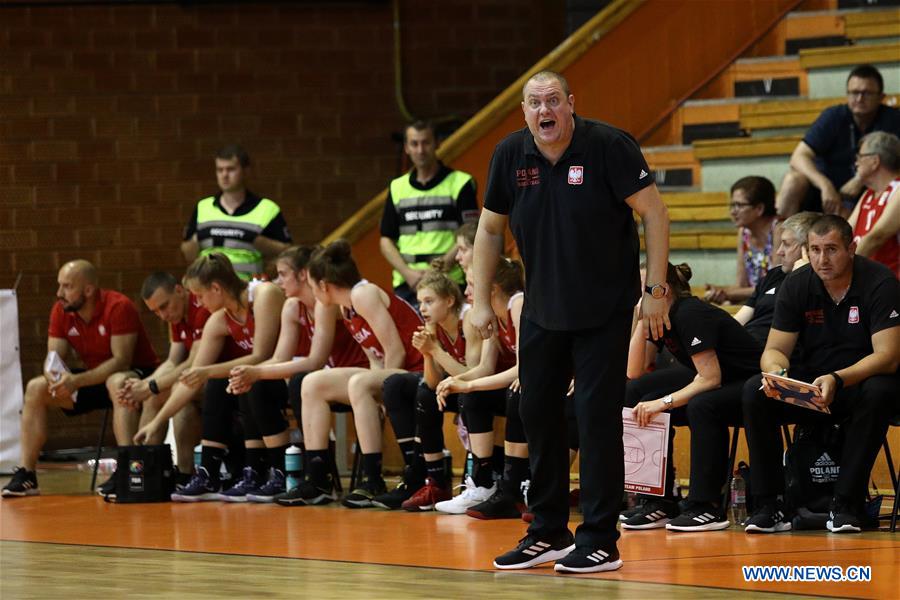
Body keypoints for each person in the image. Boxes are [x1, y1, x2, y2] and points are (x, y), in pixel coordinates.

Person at [471, 70, 670, 573]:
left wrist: (655, 290)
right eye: (535, 103)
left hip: (603, 309)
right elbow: (490, 230)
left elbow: (654, 213)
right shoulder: (510, 155)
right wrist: (478, 299)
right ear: (524, 112)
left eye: (554, 100)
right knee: (535, 412)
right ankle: (548, 531)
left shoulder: (609, 146)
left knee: (594, 419)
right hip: (542, 309)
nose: (546, 110)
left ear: (570, 104)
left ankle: (601, 537)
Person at [742, 215, 900, 534]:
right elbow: (774, 350)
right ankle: (769, 505)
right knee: (755, 392)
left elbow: (888, 357)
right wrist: (777, 373)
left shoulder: (880, 283)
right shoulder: (798, 284)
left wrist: (838, 378)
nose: (821, 259)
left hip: (860, 383)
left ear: (852, 248)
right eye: (814, 249)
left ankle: (847, 504)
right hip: (815, 388)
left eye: (831, 249)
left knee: (880, 390)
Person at [133, 253, 288, 503]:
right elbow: (191, 378)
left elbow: (262, 355)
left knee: (236, 378)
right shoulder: (219, 319)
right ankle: (211, 472)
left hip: (290, 370)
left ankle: (277, 471)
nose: (198, 301)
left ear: (216, 288)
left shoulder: (264, 294)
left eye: (200, 295)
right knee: (219, 381)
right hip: (256, 380)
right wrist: (158, 421)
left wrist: (206, 371)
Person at [623, 263, 762, 531]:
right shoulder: (657, 316)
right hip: (716, 378)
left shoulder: (690, 314)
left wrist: (662, 403)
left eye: (643, 290)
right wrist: (641, 319)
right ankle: (658, 501)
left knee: (701, 405)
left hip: (747, 382)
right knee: (637, 396)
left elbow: (711, 379)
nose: (638, 297)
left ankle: (706, 505)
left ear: (663, 291)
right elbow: (633, 370)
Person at [224, 246, 368, 506]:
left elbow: (315, 360)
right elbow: (280, 358)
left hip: (355, 373)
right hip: (326, 378)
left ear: (303, 275)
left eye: (282, 274)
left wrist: (257, 371)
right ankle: (280, 471)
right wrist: (251, 374)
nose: (278, 282)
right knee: (256, 385)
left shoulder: (325, 301)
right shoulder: (292, 306)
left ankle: (318, 473)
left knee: (302, 380)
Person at [2, 260, 159, 498]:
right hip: (92, 379)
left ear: (88, 290)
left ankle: (128, 468)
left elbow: (121, 361)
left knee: (116, 381)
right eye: (59, 286)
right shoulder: (61, 310)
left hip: (136, 375)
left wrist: (76, 381)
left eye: (67, 287)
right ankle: (27, 474)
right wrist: (55, 379)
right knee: (36, 387)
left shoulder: (118, 306)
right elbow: (53, 357)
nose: (59, 293)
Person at [288, 240, 424, 508]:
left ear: (323, 285)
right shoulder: (345, 305)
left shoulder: (364, 294)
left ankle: (372, 479)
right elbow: (375, 356)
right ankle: (318, 479)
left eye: (313, 287)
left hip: (418, 369)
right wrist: (377, 382)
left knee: (360, 383)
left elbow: (395, 351)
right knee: (312, 383)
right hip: (394, 370)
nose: (314, 294)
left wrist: (382, 392)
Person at [434, 258, 535, 520]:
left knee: (516, 393)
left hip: (552, 381)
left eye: (471, 285)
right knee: (473, 397)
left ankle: (514, 488)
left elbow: (525, 369)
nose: (467, 292)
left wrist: (468, 383)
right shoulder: (490, 314)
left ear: (491, 288)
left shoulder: (518, 303)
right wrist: (459, 382)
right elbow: (486, 367)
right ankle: (483, 482)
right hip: (520, 383)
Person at [375, 269, 471, 510]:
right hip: (451, 386)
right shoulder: (435, 327)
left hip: (479, 385)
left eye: (429, 301)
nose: (423, 308)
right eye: (420, 303)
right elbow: (431, 382)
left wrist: (434, 350)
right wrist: (428, 352)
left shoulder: (467, 320)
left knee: (427, 394)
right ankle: (423, 477)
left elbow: (469, 372)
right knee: (401, 386)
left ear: (449, 300)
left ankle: (431, 477)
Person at [117, 272, 211, 478]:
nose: (163, 315)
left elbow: (192, 363)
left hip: (217, 377)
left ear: (179, 290)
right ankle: (143, 470)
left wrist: (151, 386)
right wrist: (144, 385)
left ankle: (185, 473)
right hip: (197, 378)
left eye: (164, 306)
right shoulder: (176, 316)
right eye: (156, 311)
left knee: (174, 392)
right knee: (155, 398)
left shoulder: (201, 307)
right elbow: (173, 360)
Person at [776, 65, 900, 218]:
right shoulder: (833, 116)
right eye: (854, 92)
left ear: (881, 97)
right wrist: (824, 185)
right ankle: (781, 239)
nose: (859, 98)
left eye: (866, 93)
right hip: (825, 193)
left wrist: (861, 179)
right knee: (792, 180)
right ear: (847, 95)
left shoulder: (894, 120)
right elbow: (798, 157)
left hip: (871, 191)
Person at [379, 120, 479, 306]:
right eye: (414, 144)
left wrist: (442, 267)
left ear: (437, 143)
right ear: (406, 148)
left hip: (450, 281)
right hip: (408, 284)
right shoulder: (397, 187)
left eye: (426, 142)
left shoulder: (461, 183)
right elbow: (386, 240)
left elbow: (472, 232)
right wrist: (408, 274)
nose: (420, 150)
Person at [181, 144, 293, 280]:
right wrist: (197, 239)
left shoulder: (267, 208)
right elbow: (188, 254)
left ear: (245, 171)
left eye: (231, 169)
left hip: (248, 288)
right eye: (219, 170)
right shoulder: (203, 207)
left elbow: (288, 252)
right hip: (208, 287)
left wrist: (257, 241)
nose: (224, 175)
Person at [733, 212, 820, 344]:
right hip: (744, 346)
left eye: (786, 244)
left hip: (772, 353)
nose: (779, 252)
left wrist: (799, 276)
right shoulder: (774, 274)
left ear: (808, 248)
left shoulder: (819, 281)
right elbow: (738, 321)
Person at [705, 176, 780, 305]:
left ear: (759, 209)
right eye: (732, 205)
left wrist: (728, 292)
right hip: (756, 302)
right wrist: (719, 292)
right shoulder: (744, 232)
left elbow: (776, 287)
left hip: (777, 304)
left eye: (739, 205)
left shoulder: (780, 229)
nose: (733, 212)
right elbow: (741, 285)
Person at [847, 131, 900, 277]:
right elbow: (844, 233)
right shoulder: (868, 194)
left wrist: (840, 268)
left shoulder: (898, 190)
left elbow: (876, 237)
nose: (856, 162)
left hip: (890, 283)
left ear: (874, 161)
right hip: (866, 280)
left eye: (860, 156)